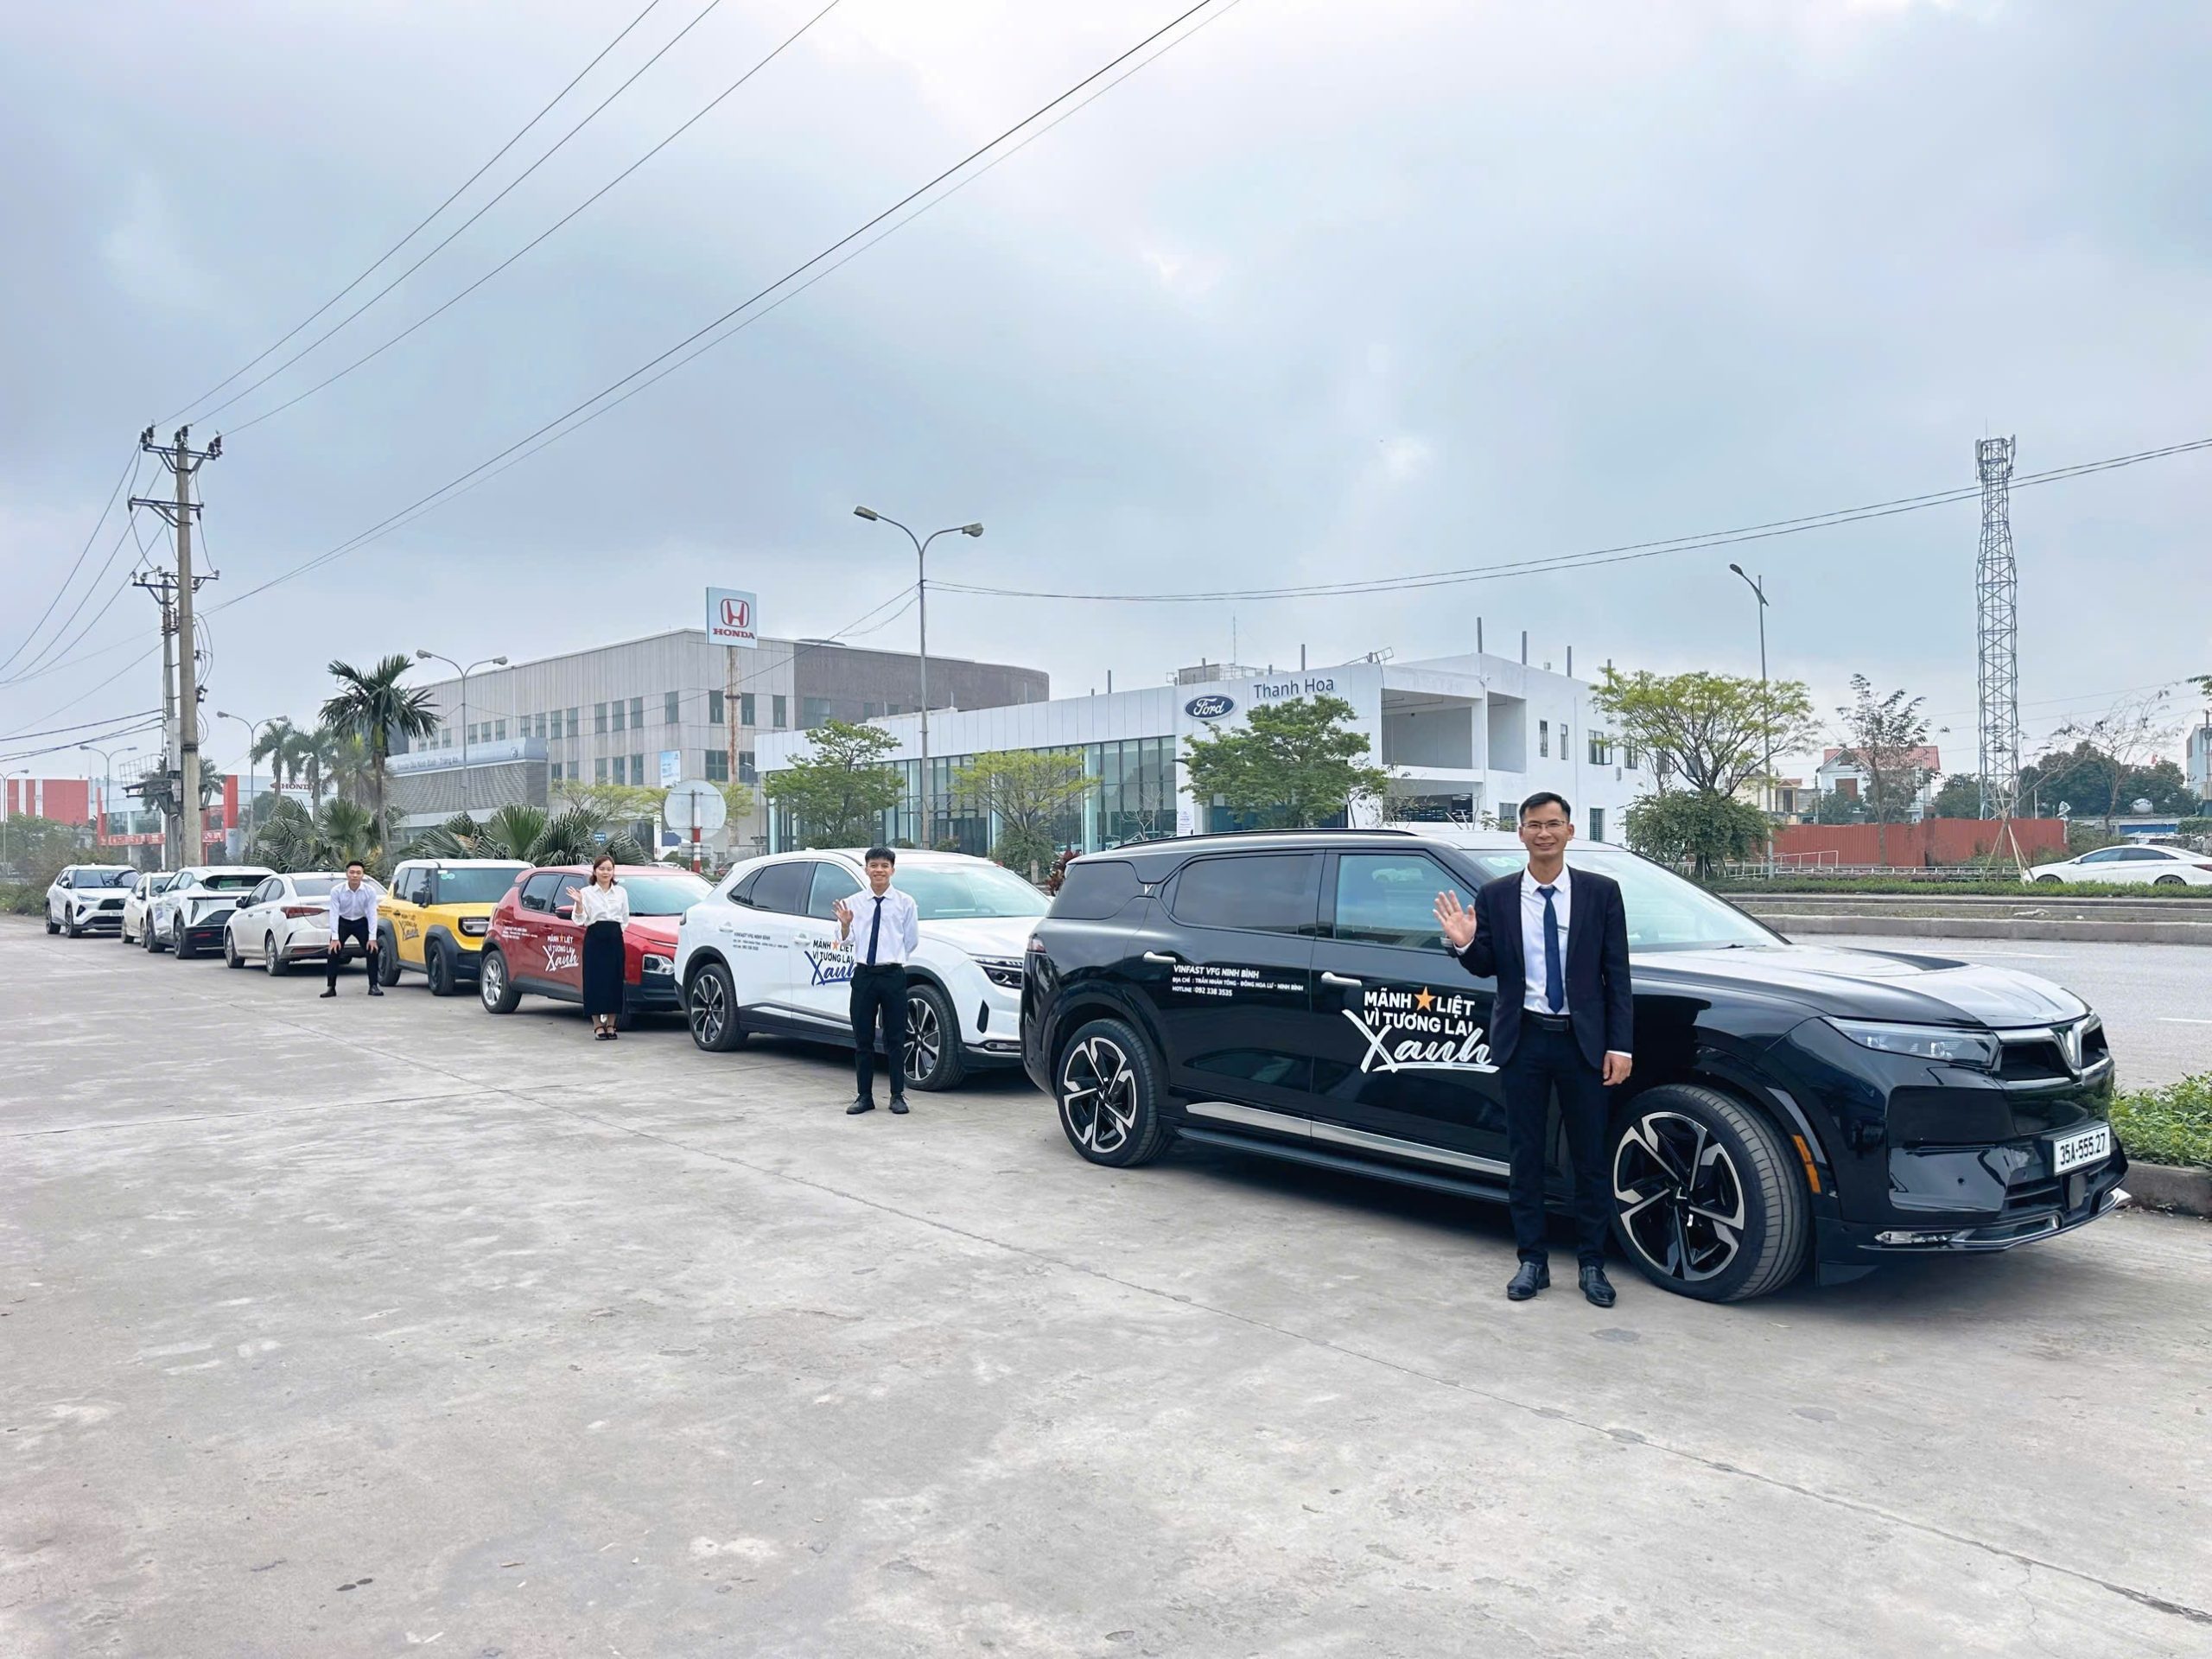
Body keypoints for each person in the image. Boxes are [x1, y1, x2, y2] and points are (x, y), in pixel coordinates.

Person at [1433, 792, 1633, 1306]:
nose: (1544, 833)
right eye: (1534, 825)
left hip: (1583, 1043)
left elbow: (1617, 974)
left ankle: (1592, 1263)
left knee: (1590, 1157)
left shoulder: (1601, 893)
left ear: (1570, 831)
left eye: (1553, 824)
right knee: (1525, 1154)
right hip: (1523, 1039)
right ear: (1520, 833)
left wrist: (1620, 1045)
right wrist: (1463, 943)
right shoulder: (1497, 896)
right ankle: (1532, 1260)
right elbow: (1486, 965)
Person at [834, 846, 920, 1116]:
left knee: (895, 1038)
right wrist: (845, 924)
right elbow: (844, 940)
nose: (879, 870)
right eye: (874, 865)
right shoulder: (854, 902)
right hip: (864, 976)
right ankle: (864, 1096)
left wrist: (892, 957)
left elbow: (911, 940)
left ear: (892, 870)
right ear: (866, 869)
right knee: (863, 1038)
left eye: (884, 866)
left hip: (893, 975)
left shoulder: (905, 903)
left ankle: (897, 1095)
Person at [575, 854, 631, 1040]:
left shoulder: (621, 892)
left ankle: (611, 1024)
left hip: (615, 939)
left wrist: (614, 932)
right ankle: (597, 1025)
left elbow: (625, 918)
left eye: (609, 869)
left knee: (614, 981)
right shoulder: (586, 893)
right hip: (594, 939)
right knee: (594, 981)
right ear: (594, 871)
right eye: (602, 869)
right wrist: (579, 903)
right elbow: (580, 920)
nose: (605, 872)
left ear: (613, 871)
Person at [321, 859, 383, 998]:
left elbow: (372, 914)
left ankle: (373, 986)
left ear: (363, 875)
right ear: (347, 874)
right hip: (343, 921)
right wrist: (335, 937)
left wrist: (372, 938)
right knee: (333, 952)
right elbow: (334, 913)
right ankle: (331, 987)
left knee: (372, 951)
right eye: (352, 872)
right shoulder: (337, 891)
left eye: (358, 873)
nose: (355, 875)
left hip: (361, 922)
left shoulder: (370, 891)